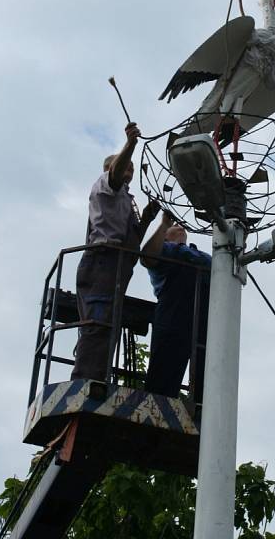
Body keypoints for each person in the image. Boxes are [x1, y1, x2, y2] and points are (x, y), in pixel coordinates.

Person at [71, 122, 160, 382]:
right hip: (102, 261)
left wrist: (146, 219)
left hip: (119, 265)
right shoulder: (105, 185)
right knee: (98, 323)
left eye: (132, 167)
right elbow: (116, 172)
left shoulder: (126, 201)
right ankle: (85, 381)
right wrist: (131, 145)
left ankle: (98, 376)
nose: (129, 169)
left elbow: (131, 241)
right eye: (126, 165)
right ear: (112, 167)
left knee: (108, 325)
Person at [142, 212, 211, 402]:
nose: (180, 224)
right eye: (174, 226)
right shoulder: (164, 250)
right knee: (162, 379)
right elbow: (147, 257)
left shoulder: (203, 256)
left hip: (204, 324)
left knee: (206, 377)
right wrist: (164, 224)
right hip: (172, 320)